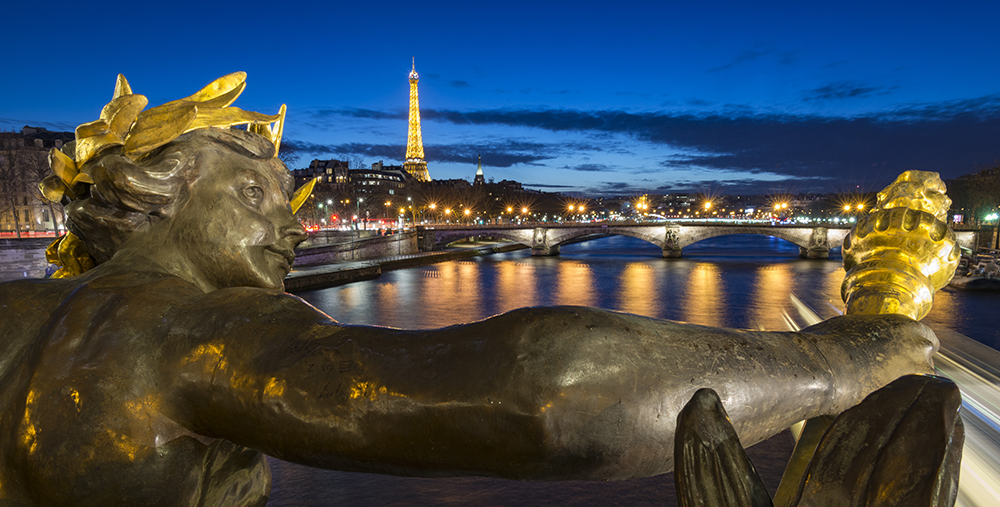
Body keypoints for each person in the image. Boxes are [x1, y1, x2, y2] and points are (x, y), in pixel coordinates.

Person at [0, 75, 942, 507]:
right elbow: (544, 394)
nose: (289, 226)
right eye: (255, 191)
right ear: (152, 199)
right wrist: (837, 352)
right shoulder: (188, 329)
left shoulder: (22, 318)